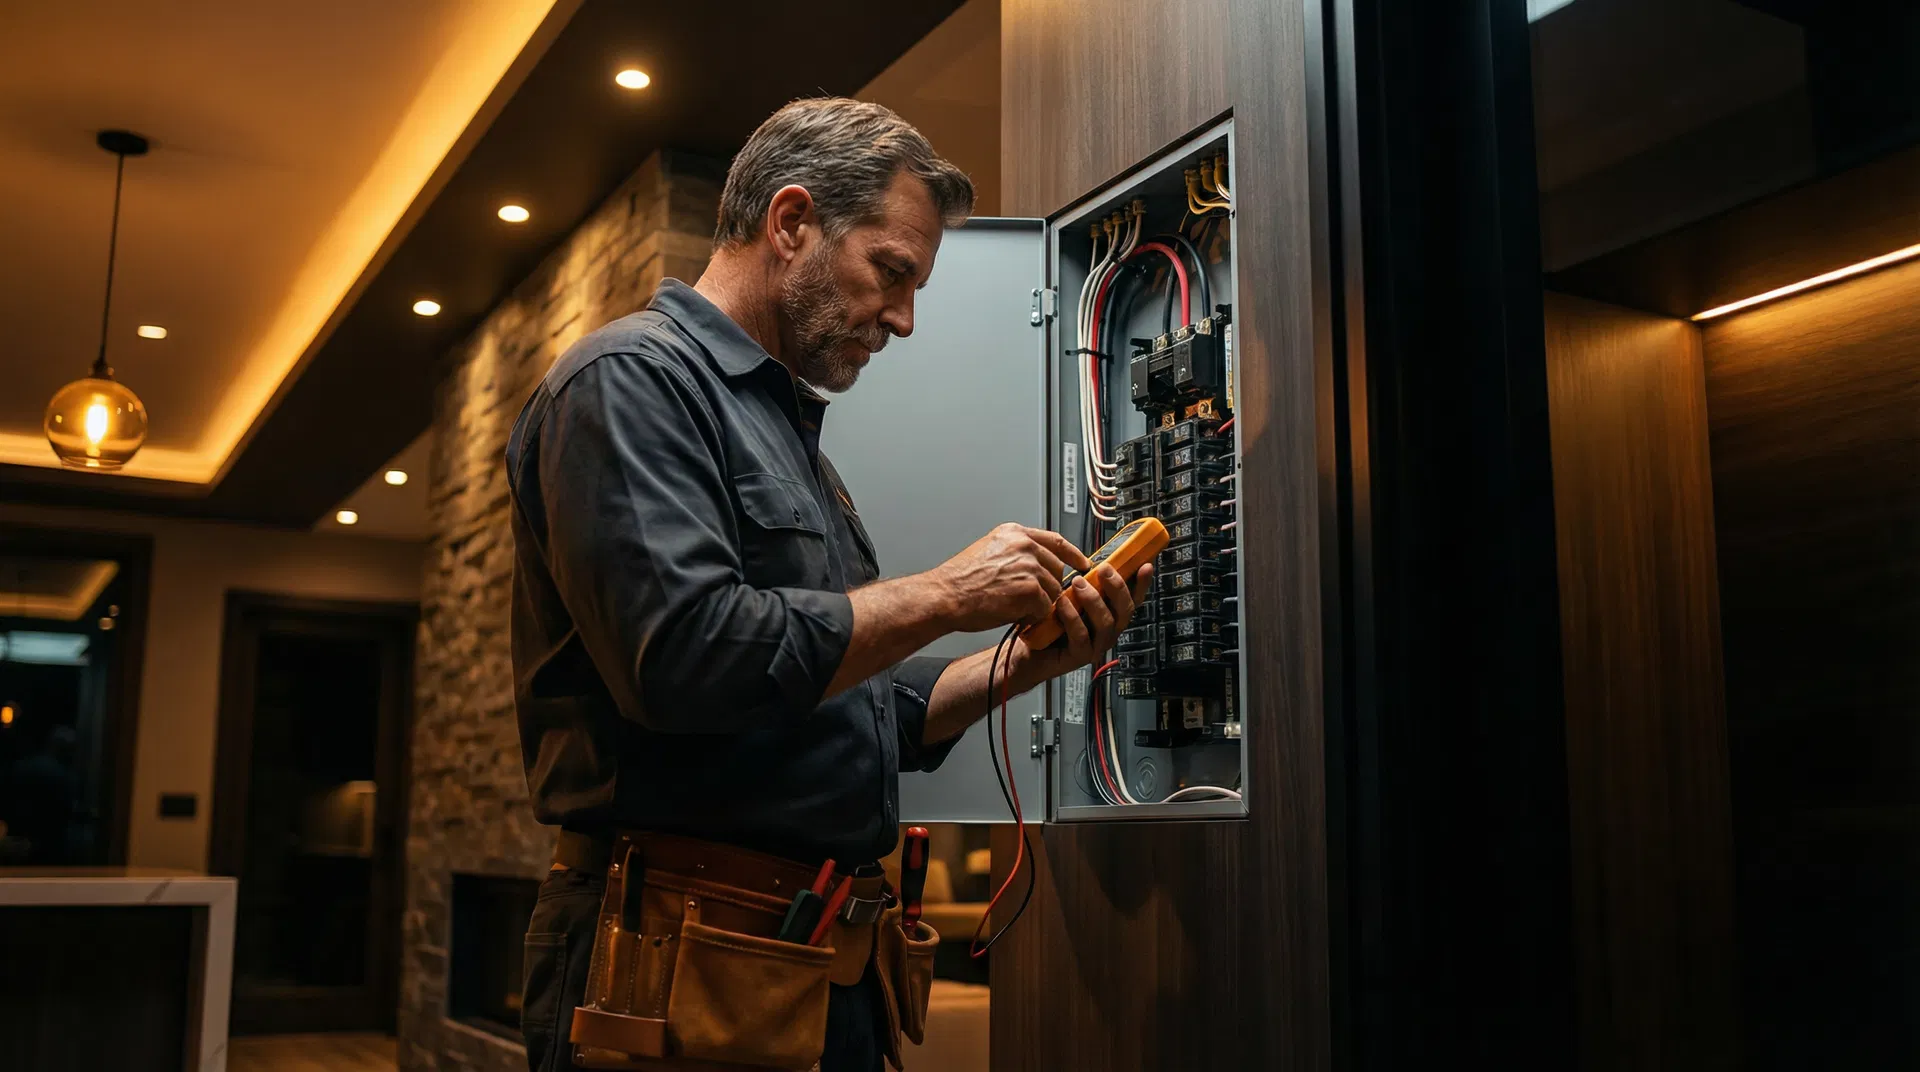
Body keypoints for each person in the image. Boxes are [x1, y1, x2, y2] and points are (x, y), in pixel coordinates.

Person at [506, 97, 1150, 1072]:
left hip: (812, 960)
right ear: (792, 221)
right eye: (891, 273)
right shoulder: (628, 379)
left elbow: (855, 706)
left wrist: (1022, 663)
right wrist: (945, 592)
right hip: (678, 958)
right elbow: (685, 660)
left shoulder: (788, 432)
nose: (904, 319)